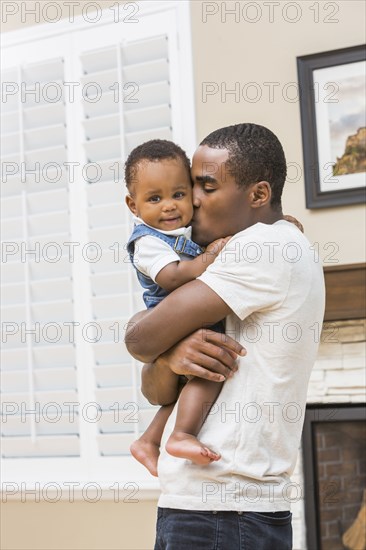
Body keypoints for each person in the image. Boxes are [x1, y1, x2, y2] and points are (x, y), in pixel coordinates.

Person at [125, 123, 325, 550]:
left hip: (223, 509)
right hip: (216, 506)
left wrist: (154, 344)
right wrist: (170, 357)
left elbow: (140, 340)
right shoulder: (251, 245)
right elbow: (154, 385)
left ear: (257, 195)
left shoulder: (263, 247)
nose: (190, 200)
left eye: (206, 186)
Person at [125, 139, 231, 477]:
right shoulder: (146, 242)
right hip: (171, 319)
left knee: (183, 388)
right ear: (133, 204)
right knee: (211, 371)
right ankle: (182, 433)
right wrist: (210, 257)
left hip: (183, 317)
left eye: (179, 195)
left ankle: (148, 440)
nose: (169, 206)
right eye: (155, 199)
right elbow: (172, 277)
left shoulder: (180, 231)